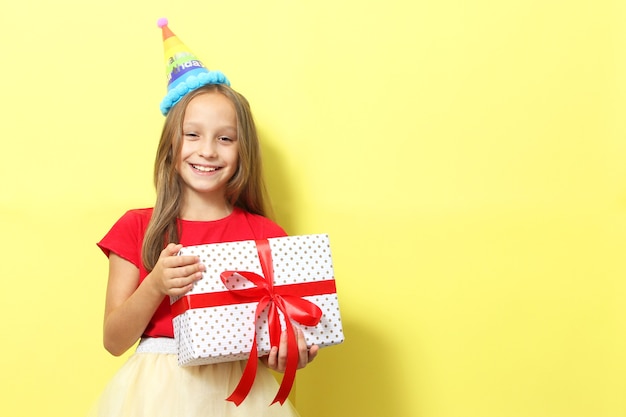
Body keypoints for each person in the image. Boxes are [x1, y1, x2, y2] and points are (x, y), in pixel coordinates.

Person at [87, 19, 318, 417]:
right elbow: (113, 339)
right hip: (154, 397)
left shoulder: (265, 235)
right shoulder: (138, 228)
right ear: (171, 144)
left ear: (243, 150)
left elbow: (271, 343)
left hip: (240, 399)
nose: (207, 151)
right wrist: (156, 283)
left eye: (225, 138)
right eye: (192, 135)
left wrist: (287, 353)